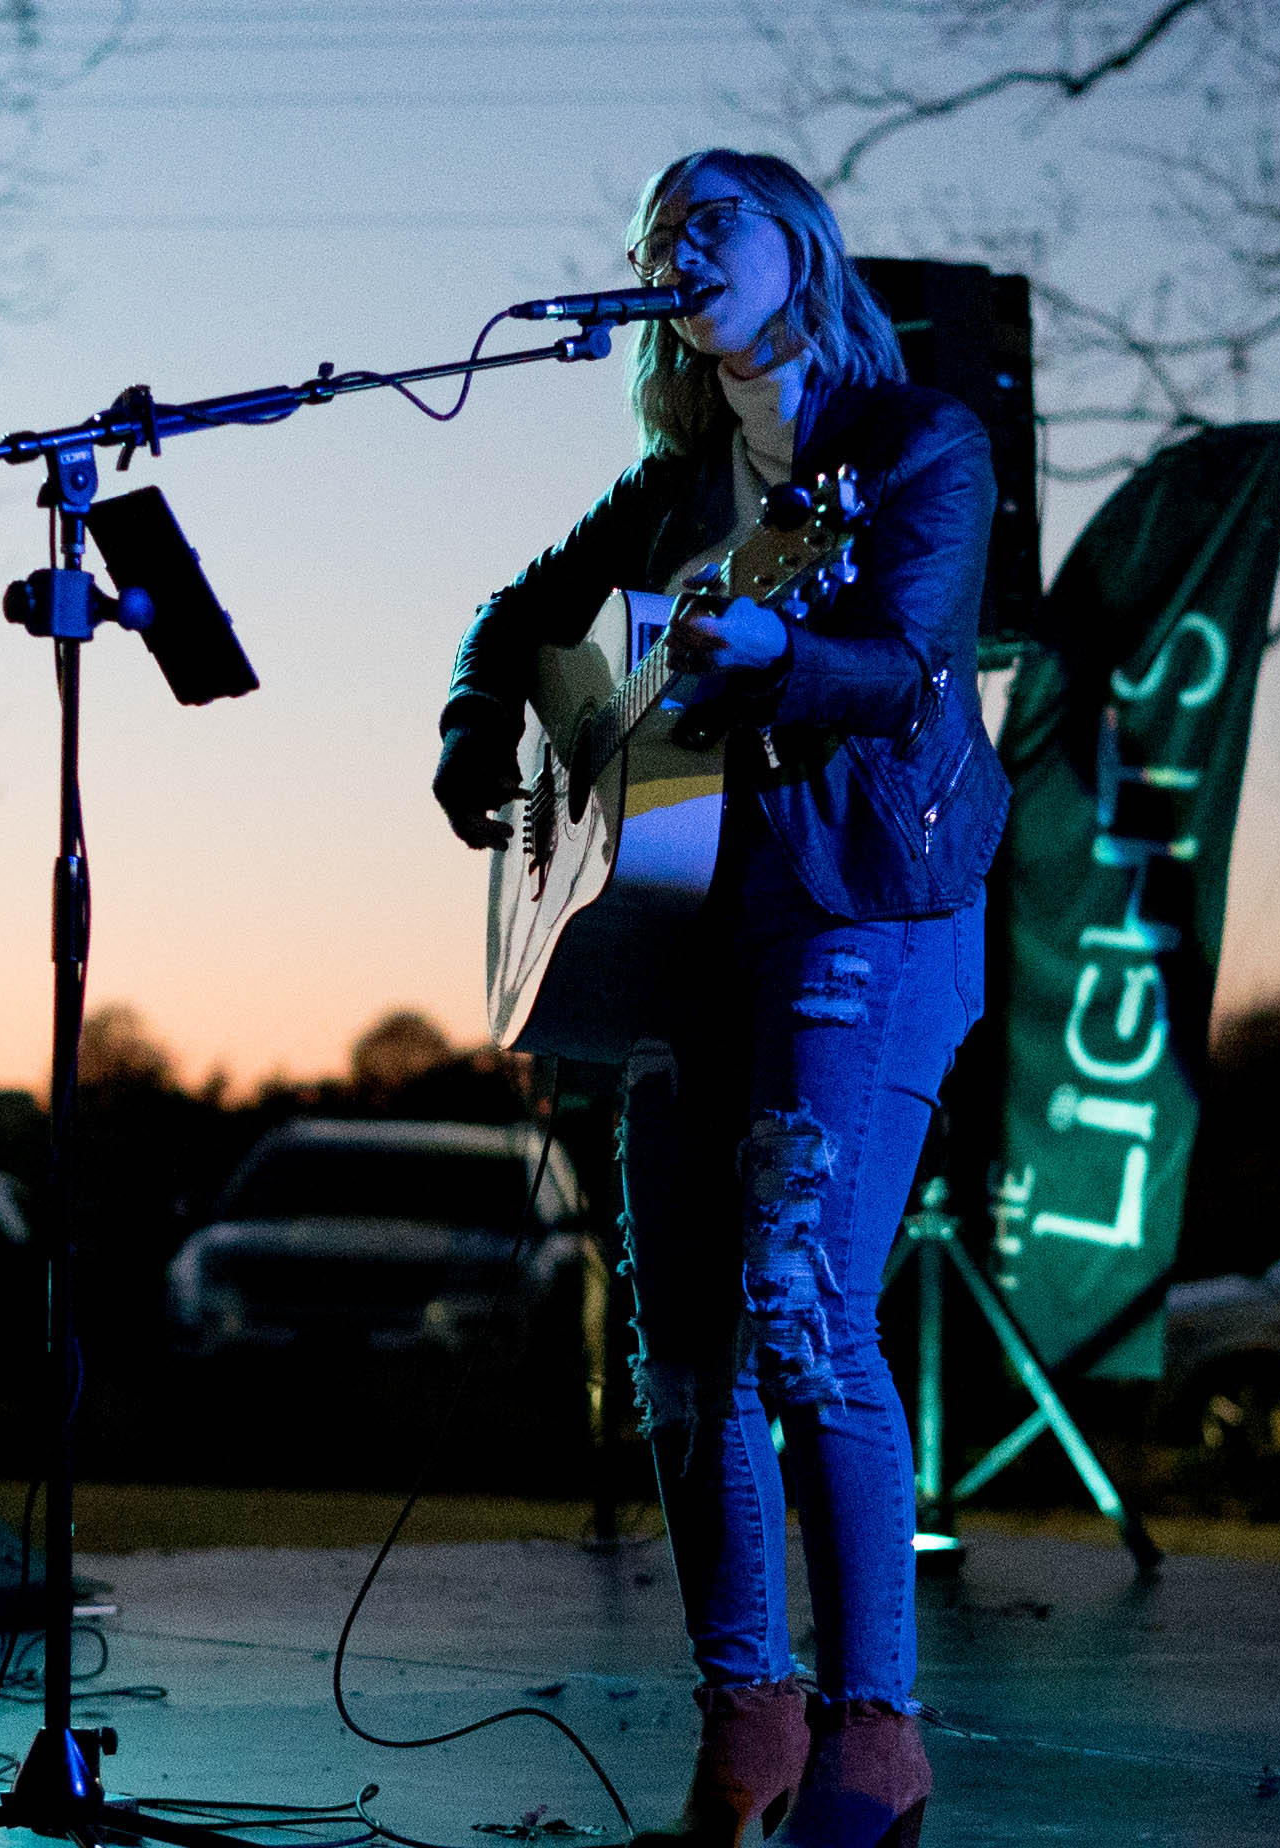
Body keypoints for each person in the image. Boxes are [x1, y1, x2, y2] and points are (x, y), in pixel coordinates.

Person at [432, 150, 1008, 1848]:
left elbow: (904, 658)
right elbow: (516, 616)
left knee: (801, 1307)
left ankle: (873, 1735)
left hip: (859, 914)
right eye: (651, 233)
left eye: (709, 222)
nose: (672, 249)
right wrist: (479, 724)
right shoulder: (676, 481)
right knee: (679, 1350)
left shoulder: (917, 443)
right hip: (674, 943)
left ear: (796, 248)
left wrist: (780, 663)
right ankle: (743, 1715)